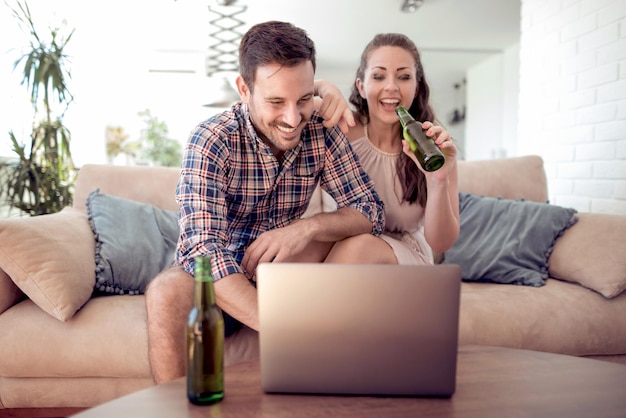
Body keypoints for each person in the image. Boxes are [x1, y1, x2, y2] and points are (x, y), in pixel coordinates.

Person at [145, 21, 388, 384]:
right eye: (276, 102)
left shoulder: (320, 130)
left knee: (364, 242)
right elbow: (202, 247)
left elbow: (369, 209)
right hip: (225, 279)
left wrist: (306, 228)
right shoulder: (212, 139)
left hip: (282, 270)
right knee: (165, 292)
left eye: (304, 99)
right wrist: (276, 324)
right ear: (244, 89)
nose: (293, 119)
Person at [331, 33, 460, 265]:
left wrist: (437, 180)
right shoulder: (343, 129)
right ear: (361, 86)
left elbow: (441, 244)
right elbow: (298, 105)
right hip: (348, 257)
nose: (391, 87)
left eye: (403, 77)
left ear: (417, 86)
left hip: (406, 260)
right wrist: (324, 87)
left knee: (360, 246)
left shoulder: (433, 146)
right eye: (379, 76)